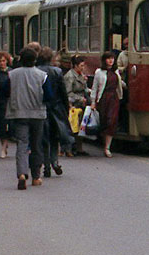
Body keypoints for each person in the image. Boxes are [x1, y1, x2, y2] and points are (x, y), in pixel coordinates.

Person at [5, 47, 48, 189]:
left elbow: (5, 92)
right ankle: (36, 176)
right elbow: (49, 95)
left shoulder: (12, 75)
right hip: (37, 114)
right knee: (36, 145)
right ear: (35, 60)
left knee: (22, 144)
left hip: (18, 113)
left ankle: (22, 173)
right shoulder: (42, 75)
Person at [37, 48, 68, 176]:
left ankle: (46, 166)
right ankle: (54, 162)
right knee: (55, 136)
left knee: (44, 138)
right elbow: (63, 91)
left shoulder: (37, 71)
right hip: (56, 107)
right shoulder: (57, 71)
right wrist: (66, 107)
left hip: (41, 107)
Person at [92, 50, 124, 157]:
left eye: (112, 58)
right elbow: (95, 87)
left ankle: (107, 147)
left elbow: (120, 84)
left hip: (114, 98)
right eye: (108, 58)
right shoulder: (99, 72)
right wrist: (93, 102)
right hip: (104, 98)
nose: (111, 60)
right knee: (104, 121)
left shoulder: (116, 72)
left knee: (112, 121)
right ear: (104, 60)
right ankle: (103, 142)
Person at [63, 55, 91, 156]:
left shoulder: (80, 75)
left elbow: (85, 89)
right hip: (73, 105)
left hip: (81, 104)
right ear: (75, 65)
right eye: (81, 66)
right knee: (72, 127)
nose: (83, 68)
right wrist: (79, 98)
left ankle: (79, 148)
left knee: (80, 126)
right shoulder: (70, 76)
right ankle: (69, 148)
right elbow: (68, 92)